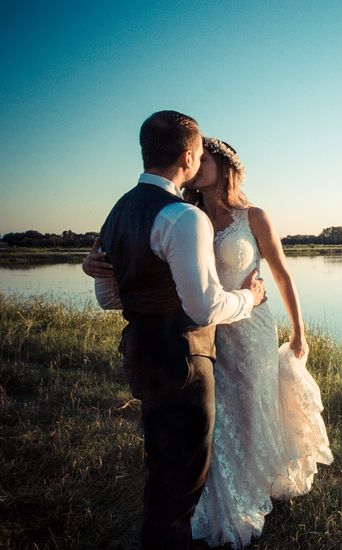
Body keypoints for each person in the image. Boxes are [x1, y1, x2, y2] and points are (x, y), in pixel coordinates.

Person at [86, 136, 333, 548]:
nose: (198, 164)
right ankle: (217, 495)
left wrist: (299, 331)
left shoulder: (253, 216)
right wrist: (94, 265)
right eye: (196, 158)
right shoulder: (184, 216)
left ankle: (255, 483)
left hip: (251, 327)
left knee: (252, 406)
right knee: (215, 416)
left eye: (207, 159)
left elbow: (283, 275)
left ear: (225, 165)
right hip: (205, 330)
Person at [90, 111, 267, 549]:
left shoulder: (119, 210)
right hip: (183, 357)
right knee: (186, 475)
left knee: (161, 459)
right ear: (189, 155)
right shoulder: (184, 217)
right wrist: (251, 299)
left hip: (141, 350)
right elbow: (205, 307)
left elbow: (109, 298)